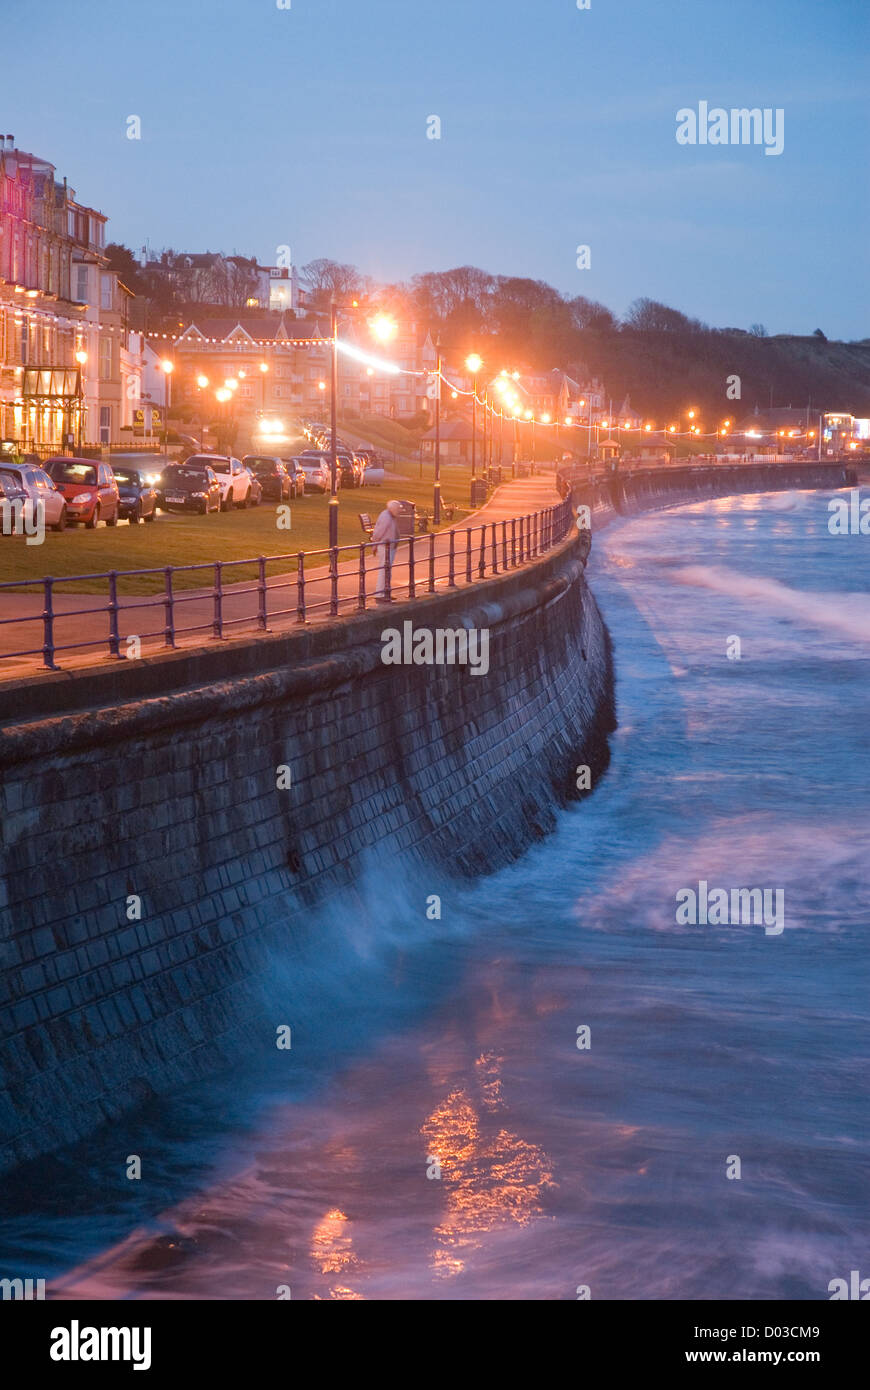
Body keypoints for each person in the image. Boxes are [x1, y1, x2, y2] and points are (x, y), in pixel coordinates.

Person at [372, 500, 403, 601]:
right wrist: (375, 545)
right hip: (385, 547)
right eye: (398, 510)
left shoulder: (390, 516)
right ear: (393, 509)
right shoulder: (386, 517)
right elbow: (378, 532)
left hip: (390, 547)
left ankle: (386, 591)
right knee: (384, 570)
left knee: (387, 570)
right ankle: (380, 594)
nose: (399, 512)